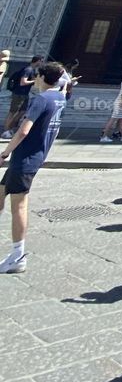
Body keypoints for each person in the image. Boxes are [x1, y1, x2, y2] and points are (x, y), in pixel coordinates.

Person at [0, 61, 66, 272]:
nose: (34, 79)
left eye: (36, 76)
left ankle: (17, 255)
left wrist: (4, 153)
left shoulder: (41, 99)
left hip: (25, 159)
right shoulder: (60, 98)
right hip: (34, 157)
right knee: (1, 191)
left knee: (19, 206)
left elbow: (23, 131)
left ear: (42, 77)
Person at [2, 55, 41, 139]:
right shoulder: (28, 69)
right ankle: (6, 131)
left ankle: (11, 128)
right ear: (37, 61)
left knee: (22, 111)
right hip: (19, 94)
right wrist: (34, 81)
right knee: (13, 112)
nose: (41, 63)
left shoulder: (32, 70)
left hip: (24, 94)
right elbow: (23, 82)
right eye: (41, 61)